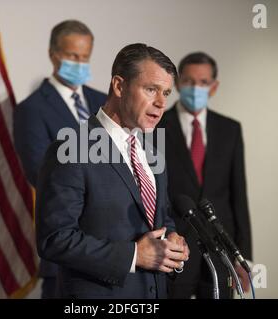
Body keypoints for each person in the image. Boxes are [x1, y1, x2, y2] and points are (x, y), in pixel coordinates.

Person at [36, 43, 189, 298]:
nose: (161, 103)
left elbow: (160, 218)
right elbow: (55, 239)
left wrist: (172, 240)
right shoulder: (71, 149)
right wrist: (134, 255)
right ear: (119, 86)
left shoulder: (153, 153)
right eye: (151, 89)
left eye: (166, 93)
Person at [13, 20, 107, 298]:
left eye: (85, 57)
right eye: (72, 56)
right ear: (53, 54)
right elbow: (41, 174)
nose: (79, 64)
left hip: (113, 250)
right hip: (65, 249)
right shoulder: (31, 109)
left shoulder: (104, 102)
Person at [157, 52, 252, 299]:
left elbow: (238, 195)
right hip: (176, 246)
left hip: (222, 247)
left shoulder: (230, 129)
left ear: (214, 86)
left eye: (203, 82)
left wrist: (242, 256)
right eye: (188, 81)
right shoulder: (156, 127)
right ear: (177, 83)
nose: (195, 88)